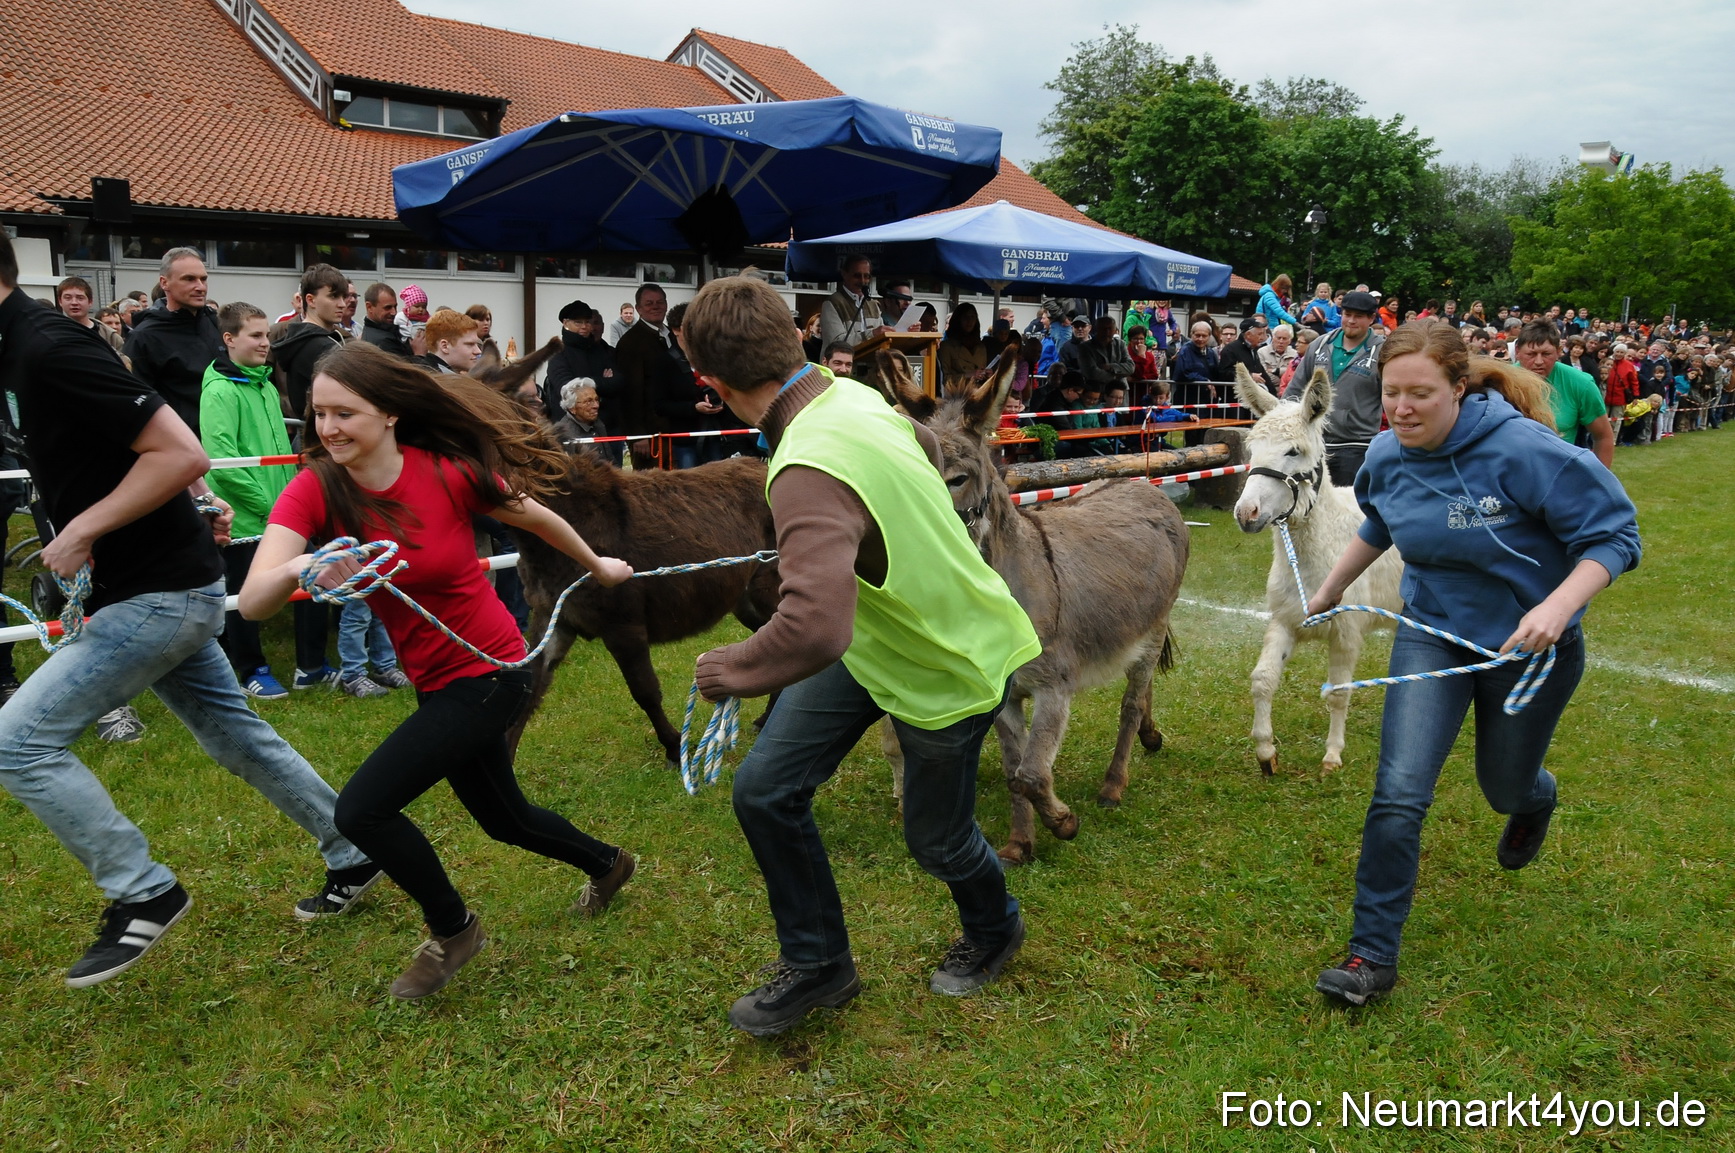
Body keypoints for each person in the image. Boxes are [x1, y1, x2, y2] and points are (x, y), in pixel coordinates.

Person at [0, 233, 381, 988]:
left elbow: (180, 451)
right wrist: (194, 507)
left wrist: (82, 530)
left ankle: (143, 891)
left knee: (16, 743)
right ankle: (355, 850)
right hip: (159, 583)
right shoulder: (23, 348)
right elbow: (127, 451)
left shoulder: (49, 347)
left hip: (156, 596)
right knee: (237, 736)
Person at [682, 275, 1041, 1036]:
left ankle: (995, 924)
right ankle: (819, 965)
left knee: (935, 839)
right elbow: (924, 444)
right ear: (798, 338)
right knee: (765, 789)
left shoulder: (806, 465)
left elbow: (812, 627)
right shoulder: (846, 394)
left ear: (708, 383)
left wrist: (733, 669)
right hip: (875, 639)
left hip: (951, 658)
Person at [239, 341, 636, 999]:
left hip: (493, 669)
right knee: (503, 817)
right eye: (319, 413)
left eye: (346, 413)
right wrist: (298, 568)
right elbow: (254, 599)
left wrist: (599, 564)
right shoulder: (318, 486)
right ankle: (607, 862)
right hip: (436, 679)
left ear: (391, 412)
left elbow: (532, 514)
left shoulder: (448, 471)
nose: (329, 428)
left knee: (362, 809)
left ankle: (453, 930)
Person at [1306, 320, 1640, 1006]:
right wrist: (1333, 585)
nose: (1401, 408)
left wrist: (1555, 607)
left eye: (1419, 394)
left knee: (1502, 787)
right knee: (1398, 794)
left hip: (1527, 650)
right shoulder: (1386, 452)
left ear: (1459, 388)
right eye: (1391, 393)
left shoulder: (1522, 449)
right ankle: (1371, 955)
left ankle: (1532, 798)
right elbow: (1379, 520)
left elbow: (1614, 537)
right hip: (1431, 632)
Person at [200, 301, 299, 698]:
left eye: (267, 336)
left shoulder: (265, 384)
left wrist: (289, 501)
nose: (265, 344)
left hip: (277, 514)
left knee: (296, 585)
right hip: (242, 519)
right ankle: (250, 669)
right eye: (255, 336)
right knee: (242, 597)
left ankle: (313, 664)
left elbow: (281, 453)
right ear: (229, 339)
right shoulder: (220, 392)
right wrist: (268, 507)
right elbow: (222, 462)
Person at [1285, 289, 1384, 486]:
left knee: (1347, 511)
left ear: (1372, 318)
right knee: (1307, 507)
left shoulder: (1384, 351)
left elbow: (1393, 397)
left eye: (1359, 316)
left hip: (1357, 445)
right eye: (1347, 315)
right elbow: (1295, 390)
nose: (1351, 321)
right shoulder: (1320, 345)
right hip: (1315, 443)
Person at [122, 247, 222, 432]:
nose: (200, 286)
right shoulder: (144, 337)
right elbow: (136, 402)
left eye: (203, 279)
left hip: (228, 442)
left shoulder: (217, 323)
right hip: (183, 445)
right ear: (164, 283)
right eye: (189, 279)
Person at [1513, 320, 1614, 467]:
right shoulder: (1501, 382)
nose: (1539, 361)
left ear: (1559, 352)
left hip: (1559, 476)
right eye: (1531, 354)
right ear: (1517, 352)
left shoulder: (1581, 383)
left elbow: (1603, 436)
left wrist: (1600, 483)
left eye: (1546, 354)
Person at [613, 284, 676, 468]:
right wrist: (637, 434)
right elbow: (628, 392)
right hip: (648, 434)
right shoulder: (630, 343)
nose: (655, 307)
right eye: (649, 303)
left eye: (660, 302)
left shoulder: (672, 335)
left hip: (673, 429)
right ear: (638, 308)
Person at [818, 255, 882, 349]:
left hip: (870, 363)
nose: (863, 281)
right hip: (842, 363)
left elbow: (883, 338)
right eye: (857, 276)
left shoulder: (874, 305)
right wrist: (871, 334)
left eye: (867, 276)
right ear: (844, 274)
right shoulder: (832, 303)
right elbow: (837, 343)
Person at [57, 276, 124, 354]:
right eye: (68, 298)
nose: (74, 302)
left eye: (80, 298)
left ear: (90, 301)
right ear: (60, 301)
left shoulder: (110, 336)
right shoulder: (53, 333)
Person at [551, 379, 609, 458]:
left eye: (596, 399)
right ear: (572, 408)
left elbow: (610, 460)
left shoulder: (598, 424)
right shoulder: (566, 435)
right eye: (588, 401)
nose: (596, 405)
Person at [939, 304, 987, 390]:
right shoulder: (946, 346)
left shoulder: (981, 347)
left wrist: (988, 375)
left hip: (979, 395)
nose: (969, 321)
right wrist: (969, 375)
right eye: (965, 317)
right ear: (958, 319)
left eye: (972, 317)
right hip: (957, 397)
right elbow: (944, 379)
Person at [1172, 320, 1220, 408]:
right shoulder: (1185, 350)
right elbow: (1182, 373)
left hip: (1206, 399)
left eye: (1204, 336)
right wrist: (1204, 381)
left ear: (1209, 336)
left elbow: (1215, 372)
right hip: (1187, 399)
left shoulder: (1210, 352)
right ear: (1191, 334)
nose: (1200, 339)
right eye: (1197, 335)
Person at [420, 308, 482, 375]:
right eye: (470, 344)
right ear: (445, 346)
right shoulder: (441, 382)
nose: (478, 351)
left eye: (476, 344)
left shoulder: (425, 376)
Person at [360, 283, 412, 359]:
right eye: (388, 307)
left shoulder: (373, 333)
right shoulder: (384, 342)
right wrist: (419, 354)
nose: (394, 312)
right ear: (369, 307)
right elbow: (406, 369)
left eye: (395, 306)